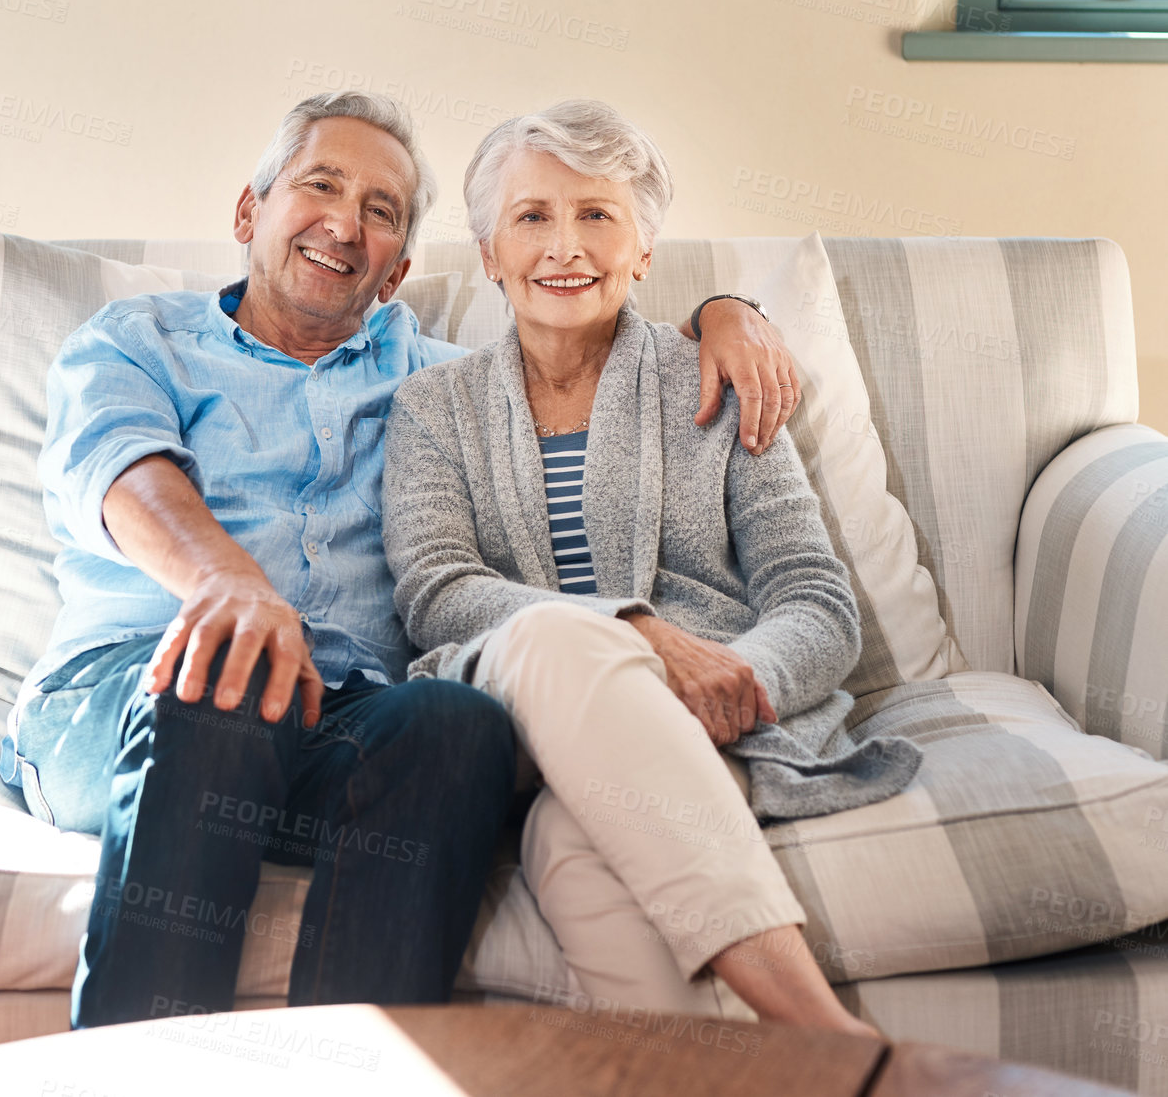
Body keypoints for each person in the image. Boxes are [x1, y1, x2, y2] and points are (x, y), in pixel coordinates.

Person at [5, 90, 803, 1029]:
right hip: (132, 692)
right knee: (226, 677)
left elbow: (578, 336)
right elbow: (123, 474)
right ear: (247, 212)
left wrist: (726, 312)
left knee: (454, 722)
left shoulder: (437, 386)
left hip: (336, 719)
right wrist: (229, 587)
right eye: (320, 185)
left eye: (379, 212)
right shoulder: (139, 342)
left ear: (398, 271)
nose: (345, 223)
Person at [382, 100, 920, 1035]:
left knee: (567, 843)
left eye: (597, 215)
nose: (564, 246)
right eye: (532, 216)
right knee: (553, 633)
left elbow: (815, 596)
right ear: (487, 252)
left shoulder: (713, 377)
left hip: (706, 720)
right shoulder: (433, 406)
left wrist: (732, 680)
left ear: (642, 250)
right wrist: (634, 636)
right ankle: (830, 1042)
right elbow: (435, 588)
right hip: (514, 714)